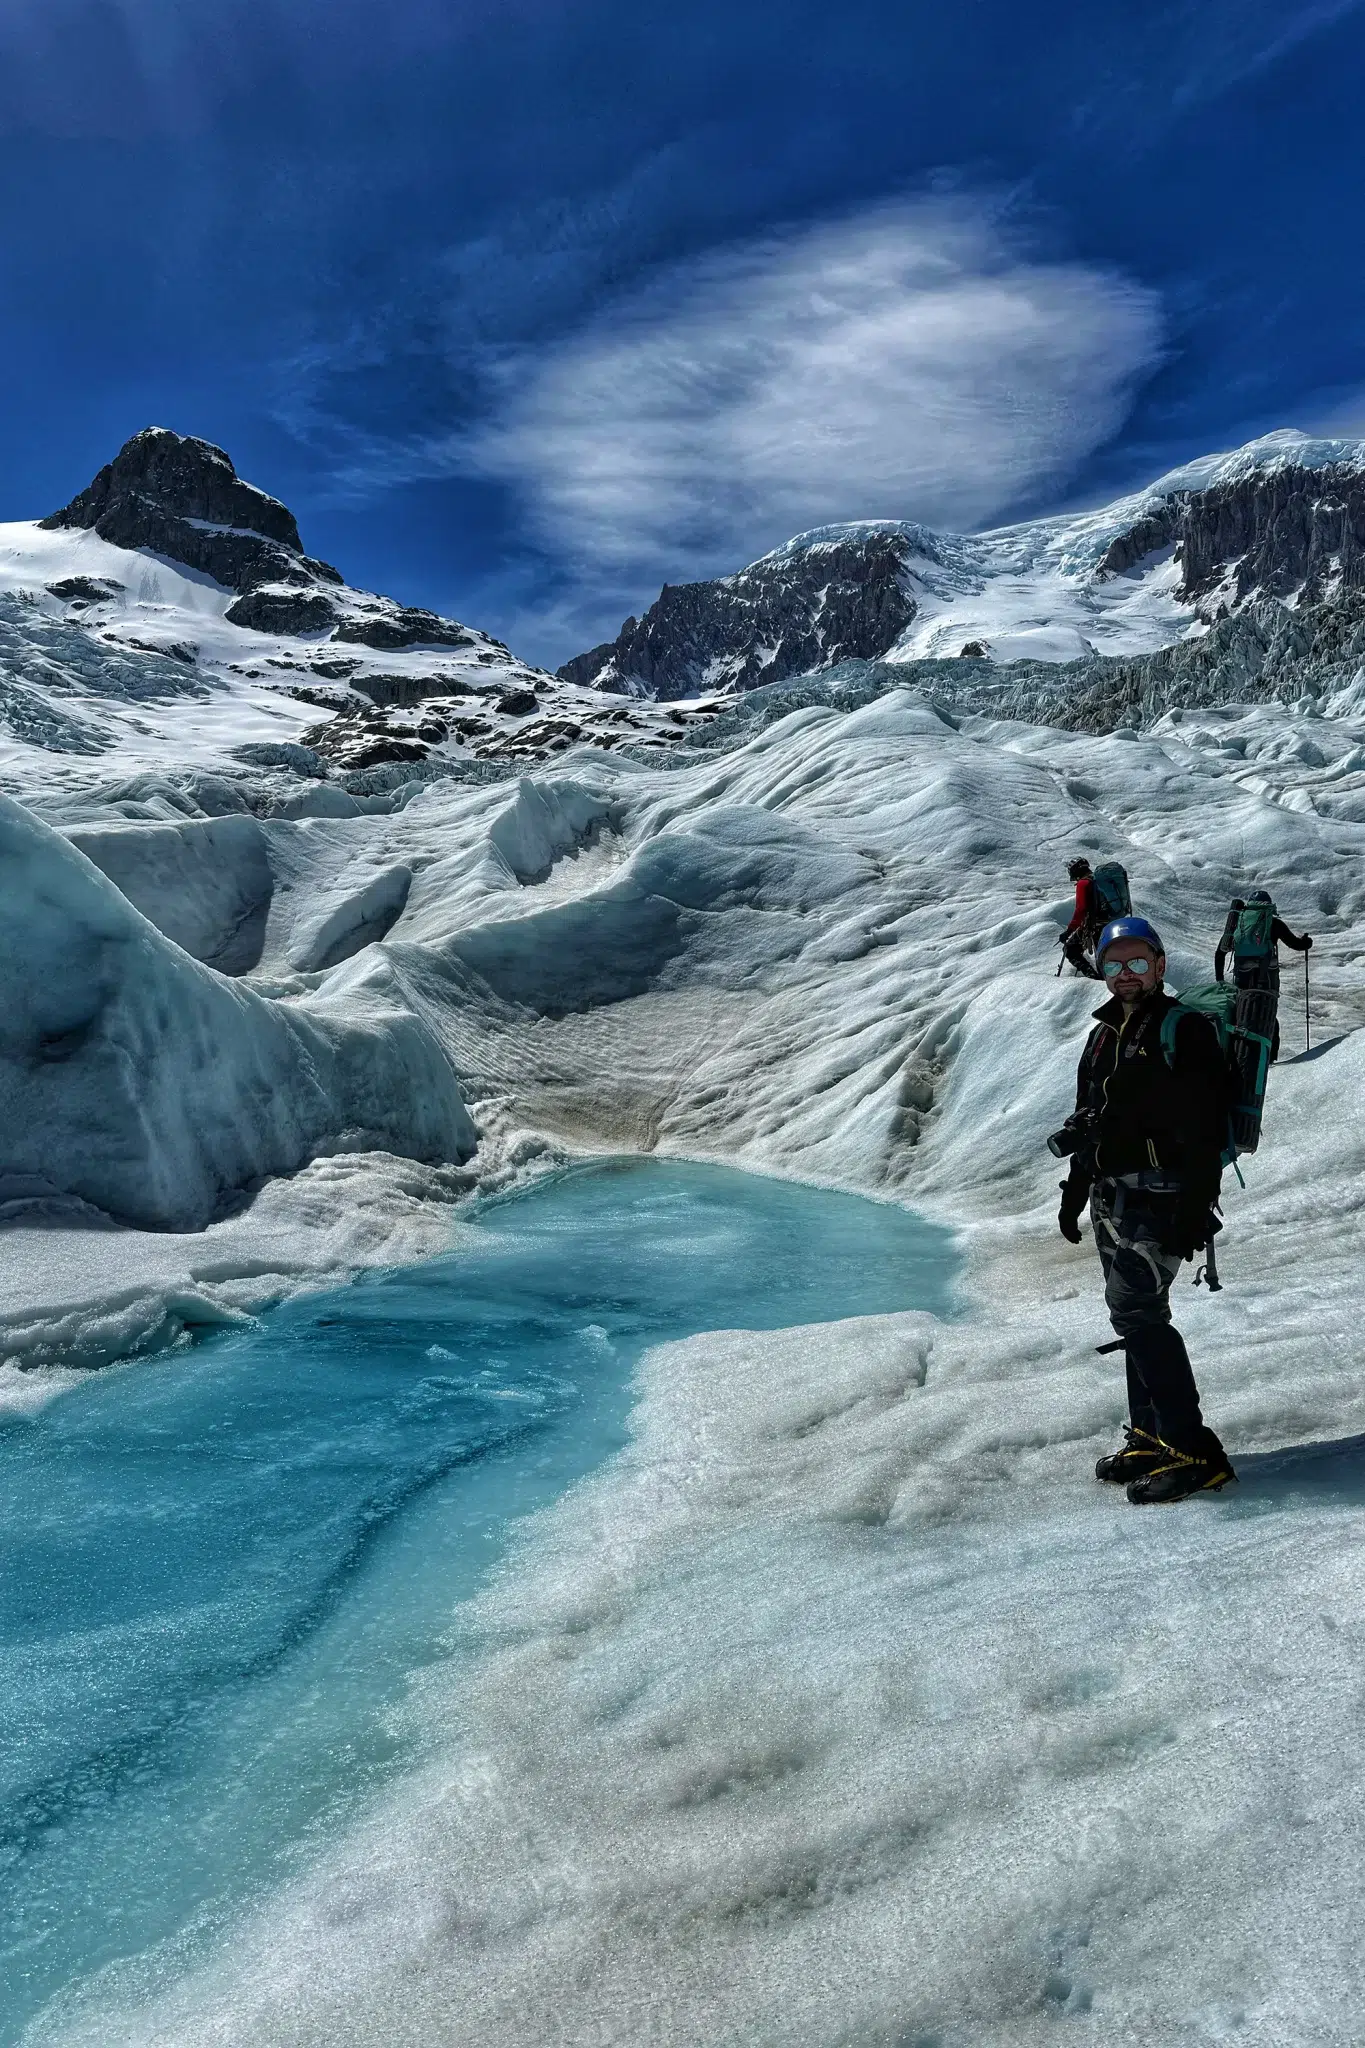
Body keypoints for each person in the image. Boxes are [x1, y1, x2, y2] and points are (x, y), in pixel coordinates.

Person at [1056, 916, 1236, 1504]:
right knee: (1133, 1311)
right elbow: (1092, 1117)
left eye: (1138, 962)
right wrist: (1076, 1187)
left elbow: (1208, 1127)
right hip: (1114, 1193)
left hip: (1161, 1196)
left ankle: (1196, 1453)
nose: (1126, 974)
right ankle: (1152, 1434)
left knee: (1138, 1313)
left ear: (1160, 966)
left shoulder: (1183, 1030)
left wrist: (1195, 1204)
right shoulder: (1106, 1031)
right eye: (1115, 964)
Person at [1214, 890, 1312, 1062]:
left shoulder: (1239, 922)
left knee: (1242, 1013)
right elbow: (1296, 944)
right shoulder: (1273, 923)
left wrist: (1220, 979)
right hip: (1267, 979)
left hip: (1242, 979)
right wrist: (1307, 942)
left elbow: (1220, 953)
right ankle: (1270, 1058)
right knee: (1268, 1014)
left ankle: (1237, 1054)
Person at [1059, 858, 1101, 978]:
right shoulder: (1098, 880)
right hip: (1110, 922)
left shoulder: (1083, 883)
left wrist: (1069, 931)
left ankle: (1093, 977)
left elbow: (1081, 909)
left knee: (1070, 949)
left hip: (1093, 925)